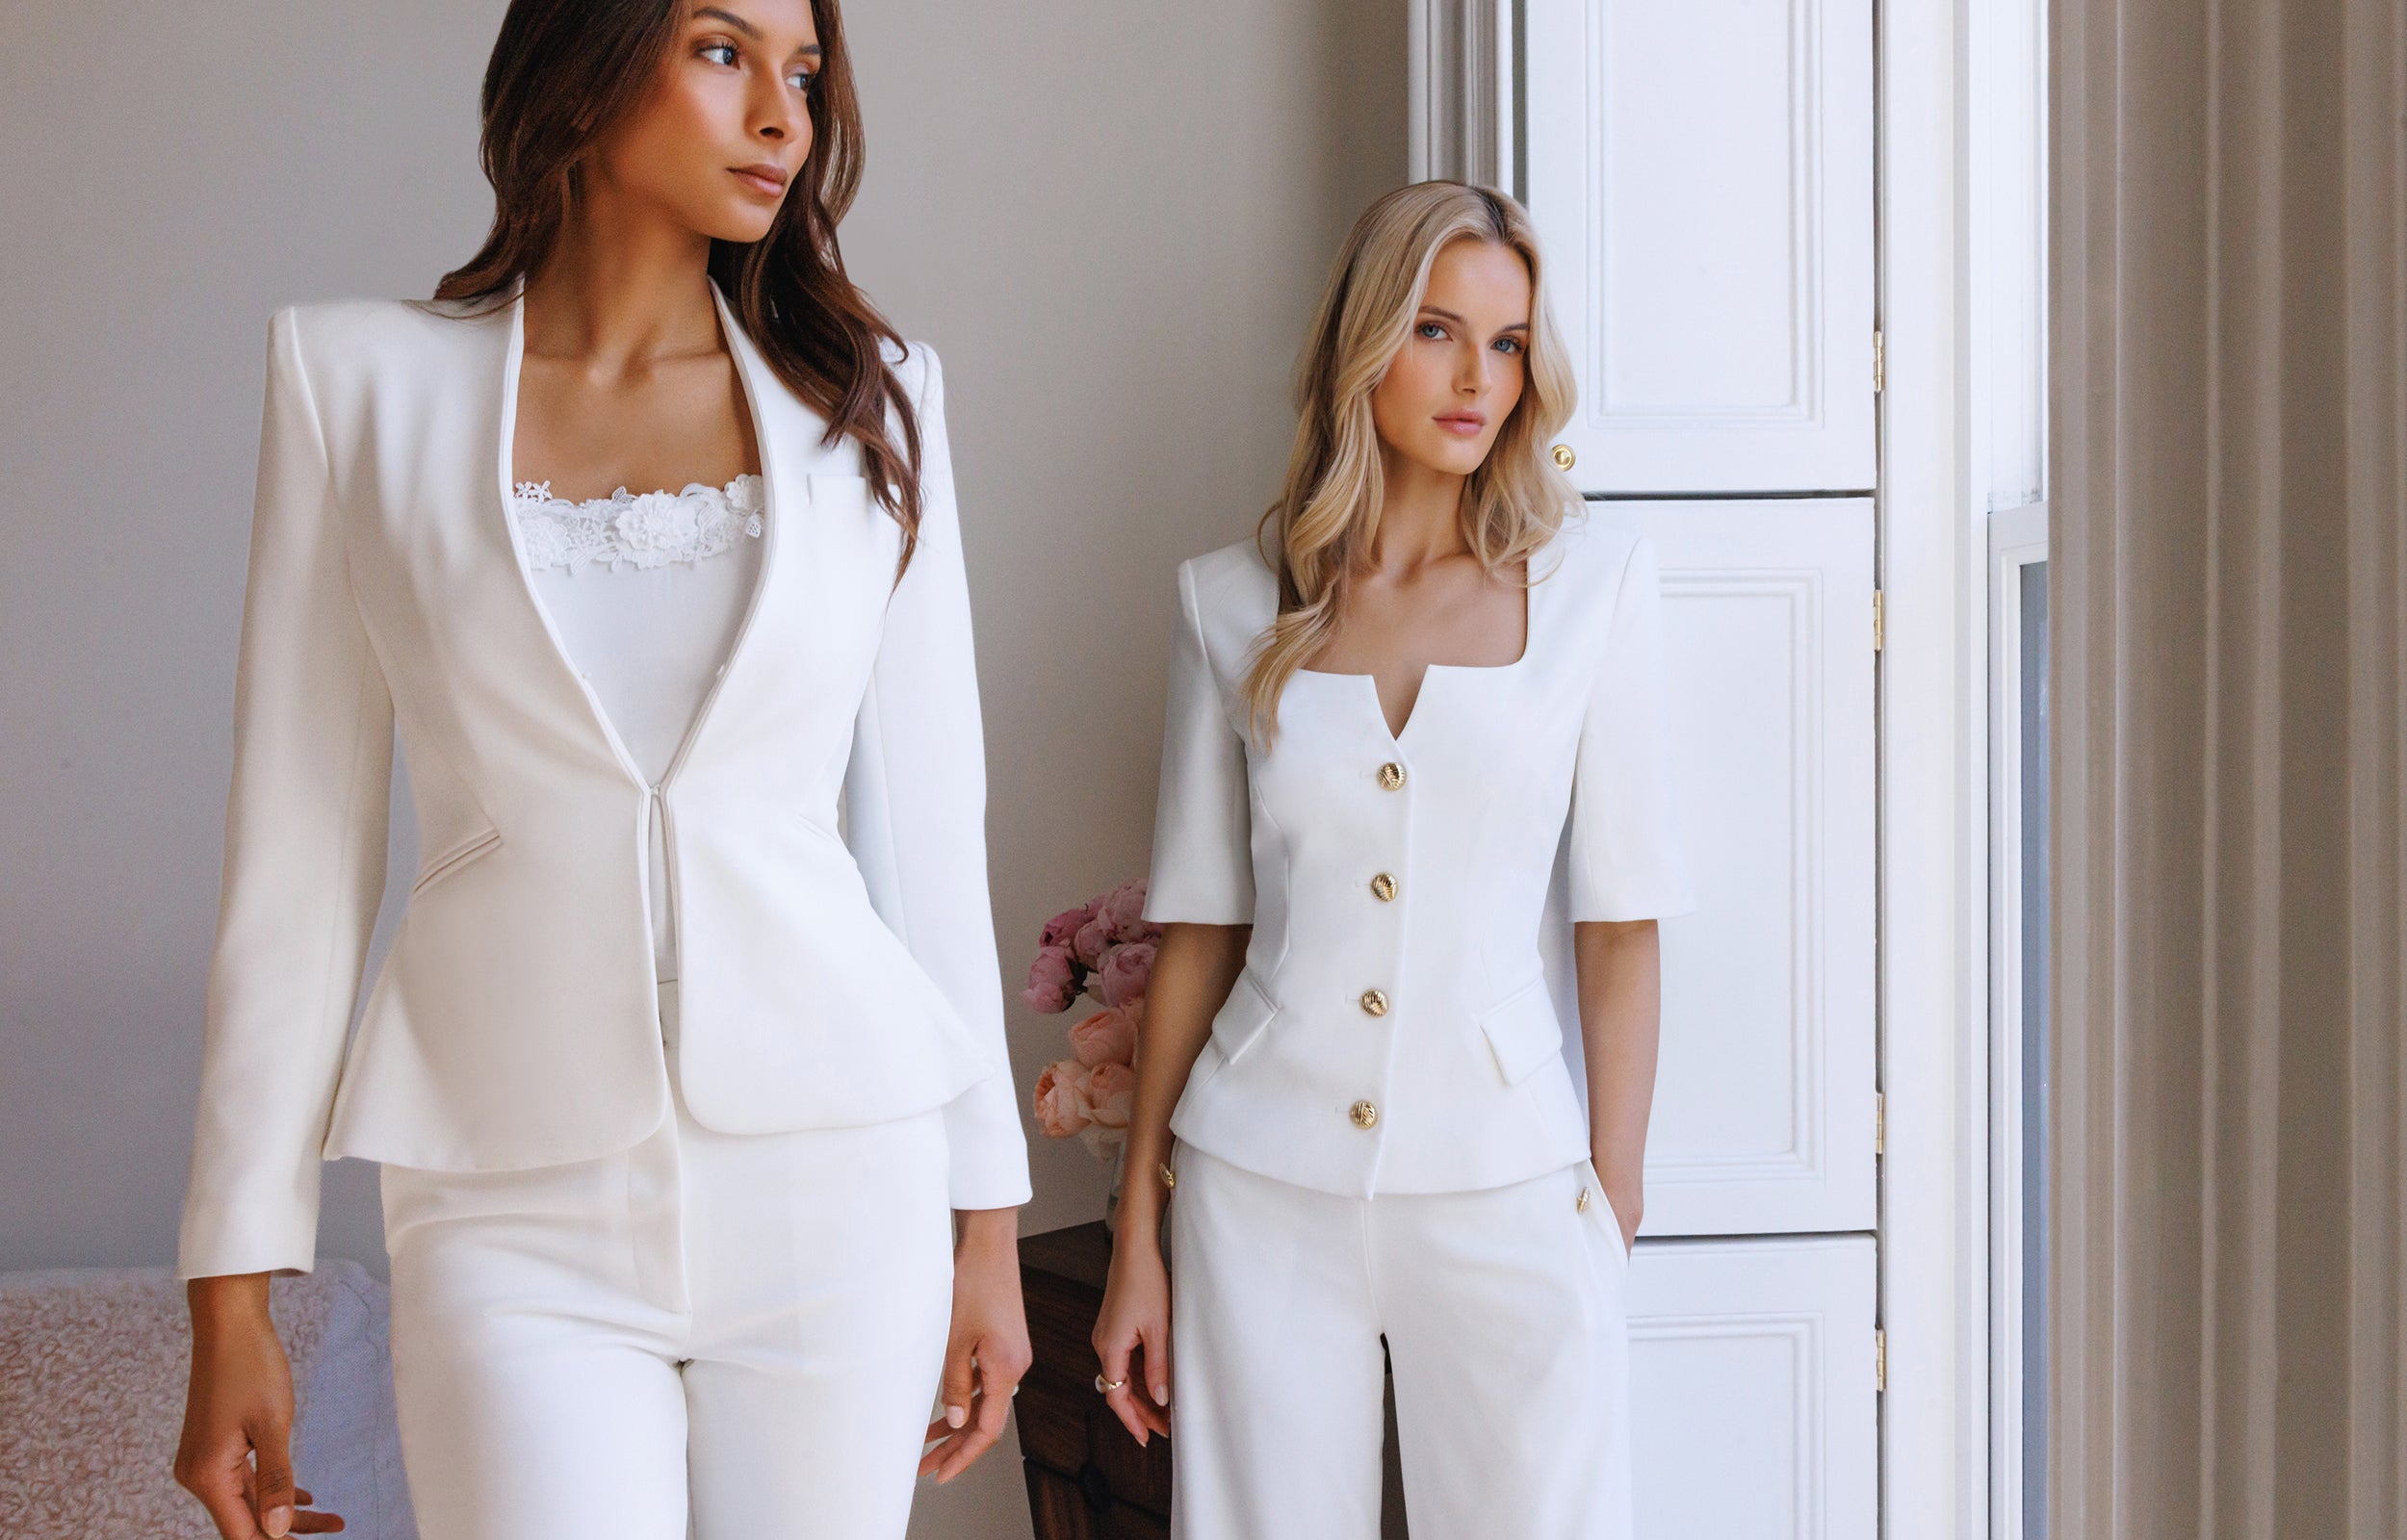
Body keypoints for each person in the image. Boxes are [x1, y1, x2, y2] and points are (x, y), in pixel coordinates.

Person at [169, 3, 1030, 1536]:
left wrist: (988, 1226)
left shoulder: (875, 402)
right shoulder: (355, 385)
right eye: (722, 51)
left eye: (806, 73)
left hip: (841, 1181)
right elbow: (296, 858)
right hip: (508, 1195)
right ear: (584, 57)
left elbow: (925, 832)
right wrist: (233, 1287)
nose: (785, 113)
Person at [1092, 181, 1694, 1539]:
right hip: (1257, 1183)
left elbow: (1621, 924)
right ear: (1365, 344)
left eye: (1509, 341)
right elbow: (1199, 926)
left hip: (1510, 1179)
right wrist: (1141, 1230)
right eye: (1438, 330)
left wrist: (1613, 1202)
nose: (1480, 376)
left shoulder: (1599, 586)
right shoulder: (1230, 600)